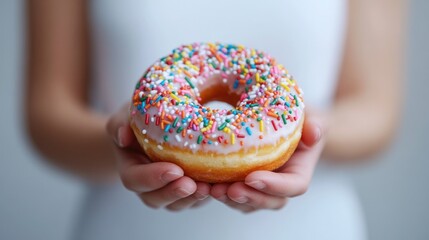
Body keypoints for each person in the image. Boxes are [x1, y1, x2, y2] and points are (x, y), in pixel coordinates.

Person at [25, 0, 404, 239]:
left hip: (312, 227)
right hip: (124, 227)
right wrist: (123, 141)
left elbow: (376, 110)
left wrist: (311, 132)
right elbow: (47, 114)